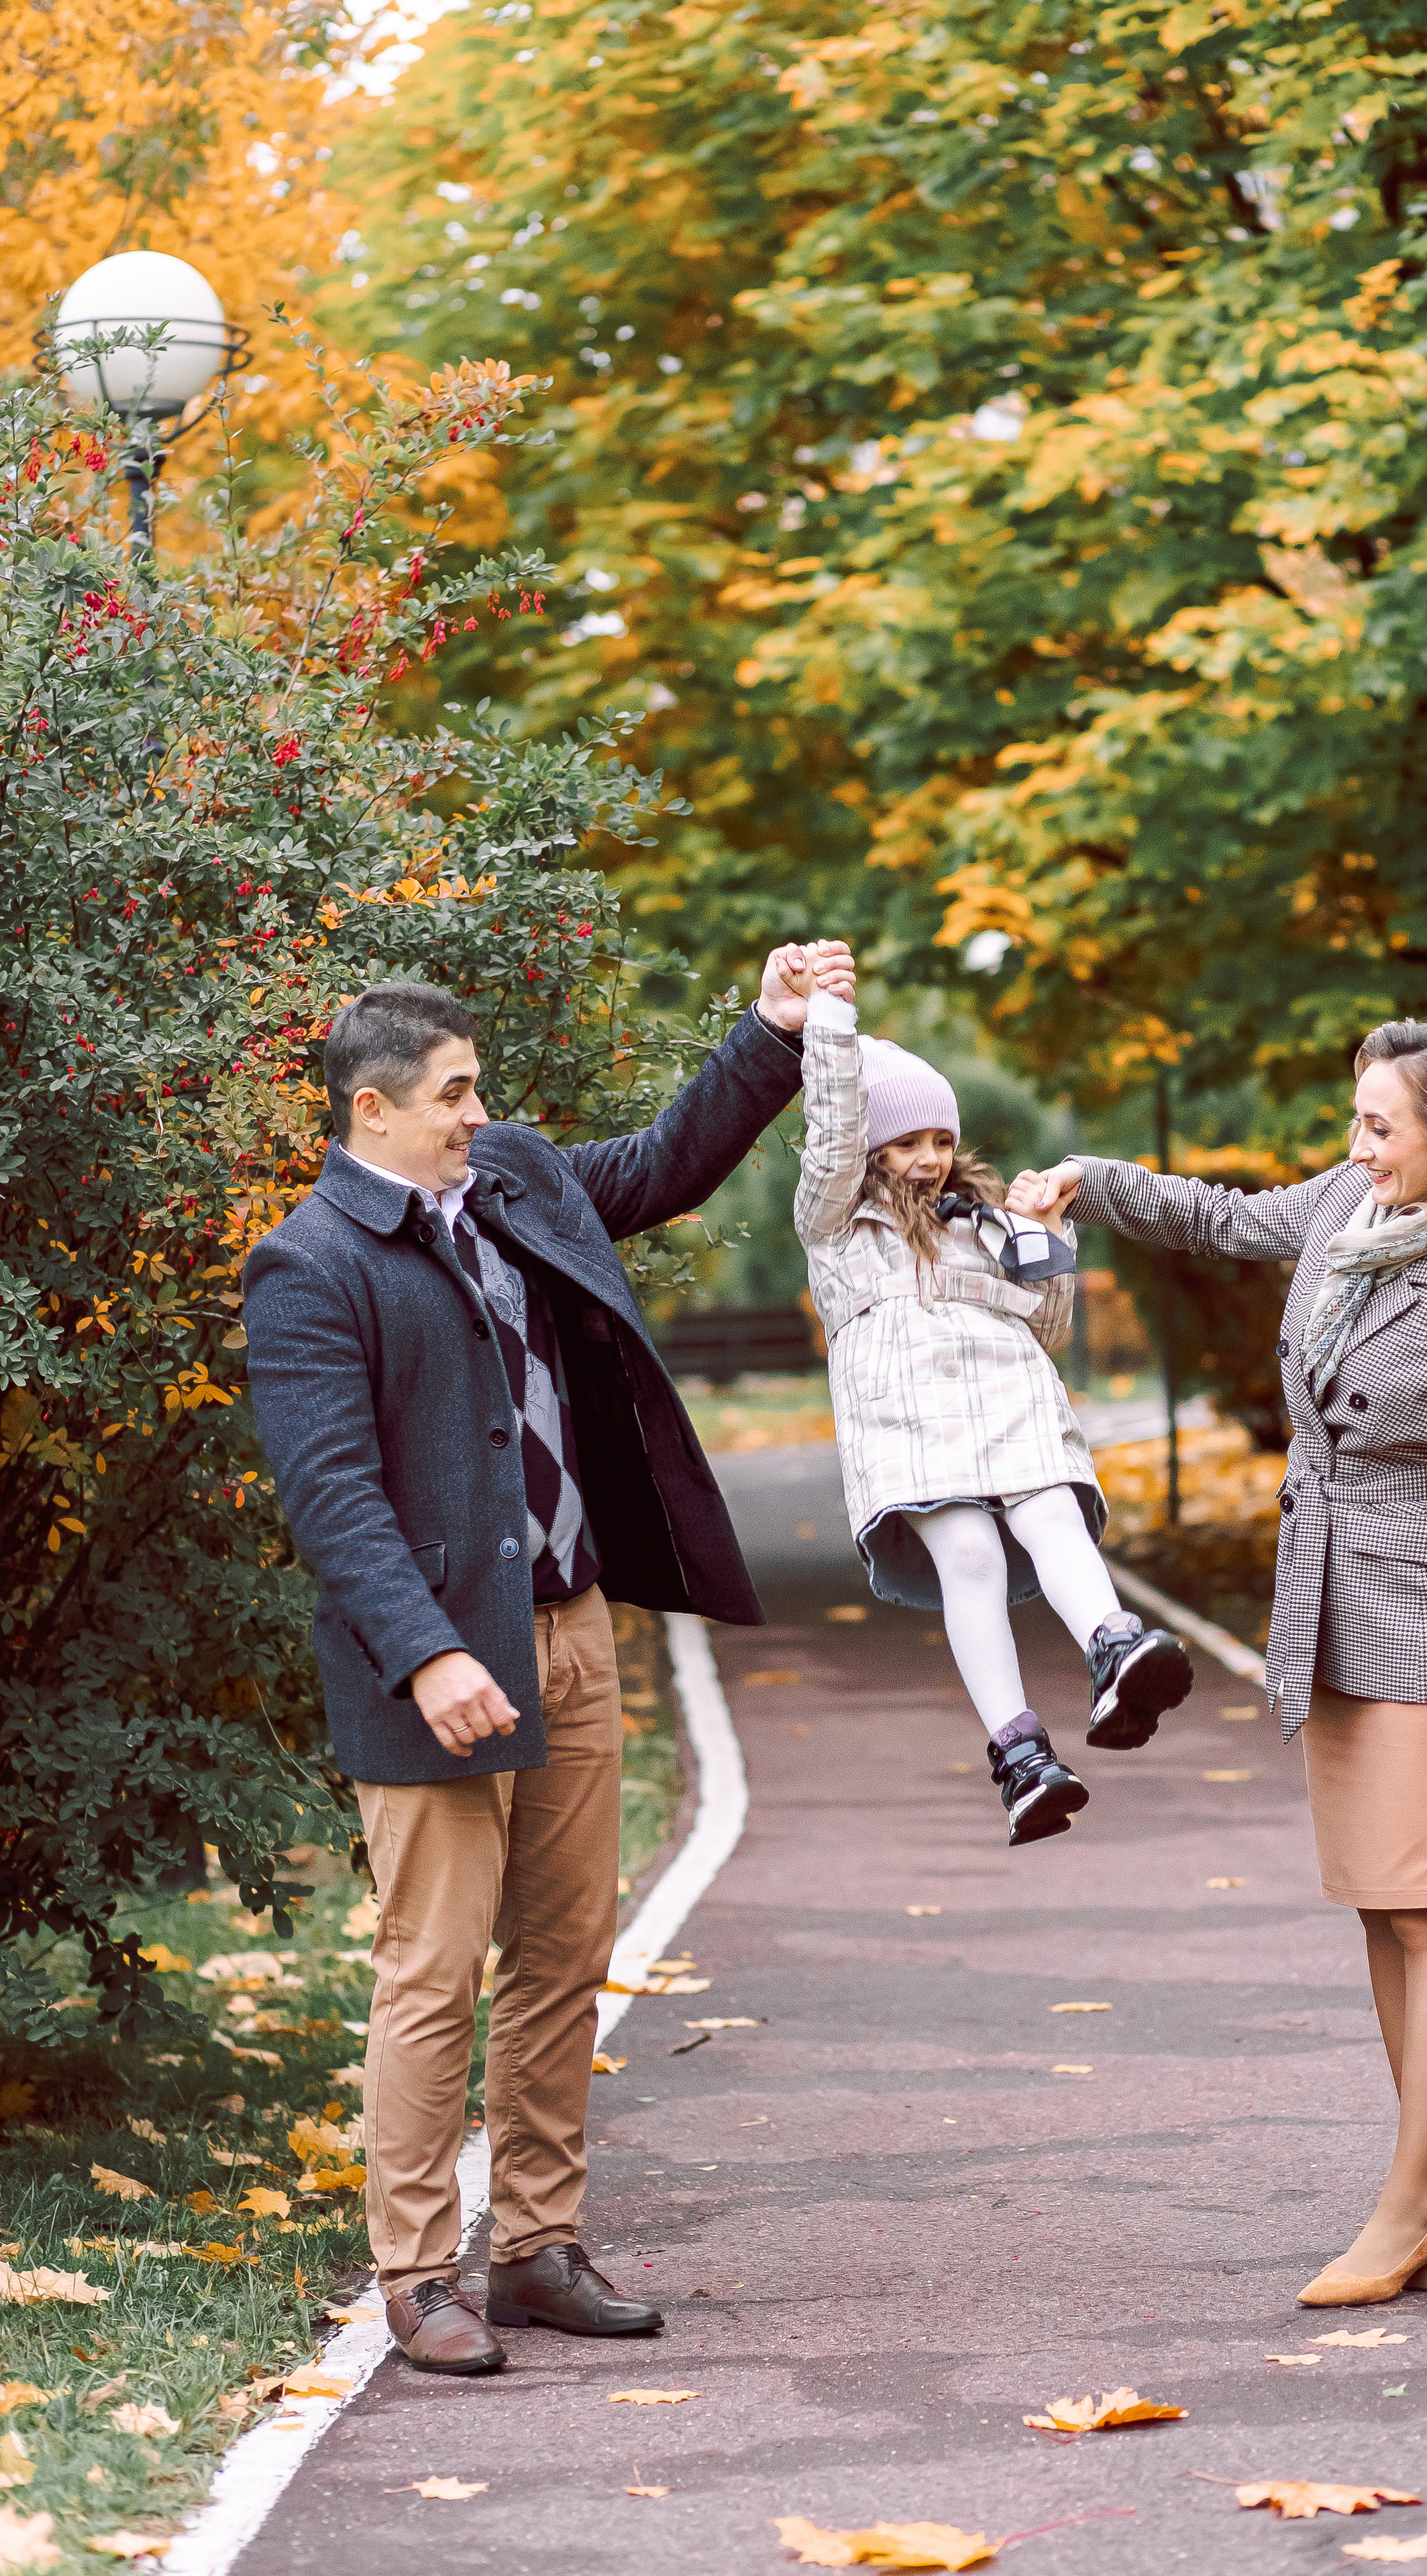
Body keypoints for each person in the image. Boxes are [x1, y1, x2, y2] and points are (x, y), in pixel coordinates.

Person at [243, 946, 853, 2375]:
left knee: (566, 1956)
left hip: (572, 1632)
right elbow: (331, 1496)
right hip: (438, 1664)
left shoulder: (511, 1180)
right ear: (372, 1108)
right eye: (454, 1093)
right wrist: (425, 1657)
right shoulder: (310, 1264)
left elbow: (661, 1166)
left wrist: (765, 1034)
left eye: (478, 1090)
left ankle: (533, 2247)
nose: (479, 1113)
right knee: (433, 1969)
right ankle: (415, 2275)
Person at [1010, 1020, 1427, 2305]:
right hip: (1328, 1603)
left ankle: (1407, 2210)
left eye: (1379, 1125)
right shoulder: (1346, 1210)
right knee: (1378, 1899)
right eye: (1356, 1120)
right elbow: (1223, 1217)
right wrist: (1093, 1177)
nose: (1357, 1146)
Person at [790, 951, 1193, 1847]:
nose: (929, 1160)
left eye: (941, 1141)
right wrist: (829, 1019)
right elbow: (830, 1126)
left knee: (1051, 1514)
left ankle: (1115, 1647)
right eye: (906, 1143)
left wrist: (1044, 1234)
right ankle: (1020, 1756)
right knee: (968, 1556)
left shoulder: (981, 1223)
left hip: (1012, 1401)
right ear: (869, 1150)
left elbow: (1047, 1326)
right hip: (911, 1427)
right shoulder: (836, 1226)